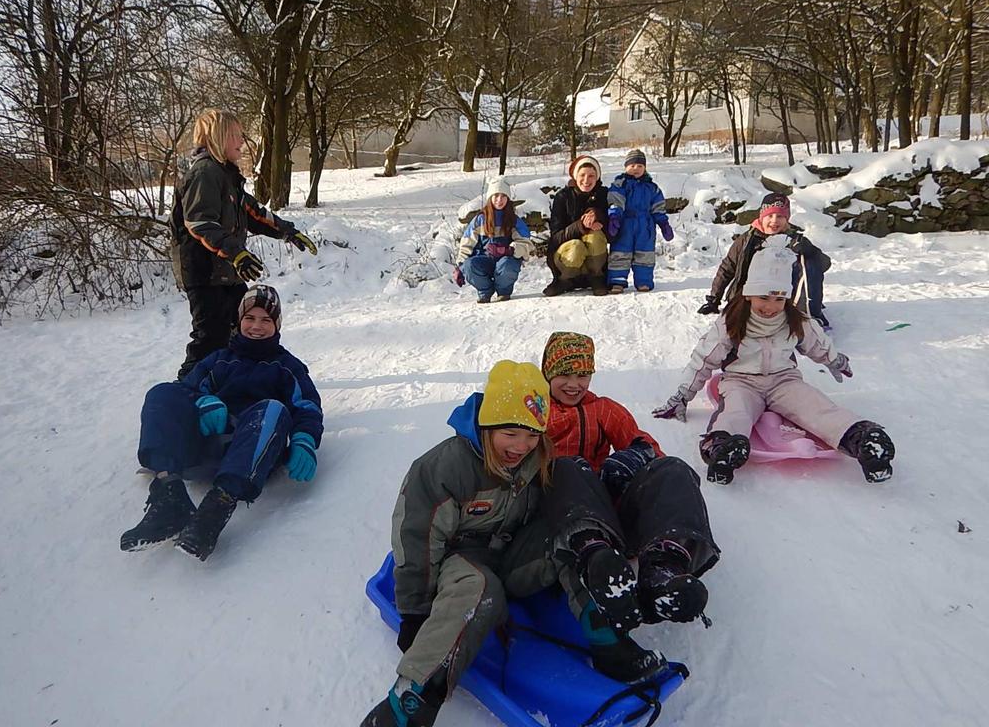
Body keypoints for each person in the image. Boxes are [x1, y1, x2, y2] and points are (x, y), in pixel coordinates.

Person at [363, 361, 671, 727]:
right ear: (488, 425)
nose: (521, 446)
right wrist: (414, 612)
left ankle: (606, 640)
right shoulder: (445, 467)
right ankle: (412, 697)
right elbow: (417, 539)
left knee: (571, 536)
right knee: (480, 588)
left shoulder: (537, 457)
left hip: (512, 553)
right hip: (459, 561)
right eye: (510, 434)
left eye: (531, 435)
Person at [653, 237, 894, 485]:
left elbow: (817, 343)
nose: (771, 307)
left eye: (779, 299)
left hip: (784, 381)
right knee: (737, 412)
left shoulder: (795, 319)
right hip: (741, 381)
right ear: (749, 294)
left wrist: (835, 360)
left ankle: (864, 441)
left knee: (817, 407)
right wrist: (682, 395)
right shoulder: (731, 323)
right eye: (764, 298)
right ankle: (723, 450)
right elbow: (703, 360)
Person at [120, 285, 323, 560]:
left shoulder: (287, 367)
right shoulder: (218, 360)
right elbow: (186, 390)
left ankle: (214, 511)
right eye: (250, 318)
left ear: (277, 325)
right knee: (162, 392)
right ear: (239, 321)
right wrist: (203, 401)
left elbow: (307, 407)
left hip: (253, 450)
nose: (257, 326)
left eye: (266, 320)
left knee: (272, 409)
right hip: (207, 445)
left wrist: (304, 440)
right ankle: (170, 497)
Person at [541, 331, 719, 625]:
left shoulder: (604, 410)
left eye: (583, 375)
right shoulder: (537, 410)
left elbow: (648, 447)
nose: (574, 385)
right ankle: (596, 560)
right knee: (568, 467)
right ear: (548, 372)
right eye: (565, 374)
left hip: (609, 510)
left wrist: (632, 458)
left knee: (673, 468)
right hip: (566, 512)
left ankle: (664, 569)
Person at [171, 108, 318, 379]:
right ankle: (187, 387)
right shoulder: (205, 173)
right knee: (211, 335)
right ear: (217, 138)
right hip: (204, 272)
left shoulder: (227, 176)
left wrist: (287, 232)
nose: (241, 141)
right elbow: (199, 222)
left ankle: (239, 375)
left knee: (245, 324)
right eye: (235, 135)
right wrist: (237, 253)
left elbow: (253, 213)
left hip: (226, 270)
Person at [698, 192, 832, 328]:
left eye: (780, 216)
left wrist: (810, 250)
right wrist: (714, 300)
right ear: (761, 217)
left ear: (787, 219)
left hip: (782, 296)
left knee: (809, 260)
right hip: (750, 295)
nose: (774, 221)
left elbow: (823, 265)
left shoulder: (794, 240)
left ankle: (810, 314)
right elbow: (727, 268)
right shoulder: (746, 240)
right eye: (770, 216)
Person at [452, 178, 534, 303]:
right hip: (484, 260)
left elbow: (526, 244)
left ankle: (503, 291)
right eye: (495, 196)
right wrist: (459, 266)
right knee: (469, 265)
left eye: (503, 196)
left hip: (505, 261)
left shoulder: (514, 220)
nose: (499, 200)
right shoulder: (480, 220)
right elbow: (466, 245)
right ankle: (486, 291)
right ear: (490, 198)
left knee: (507, 264)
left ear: (508, 199)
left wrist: (509, 250)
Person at [605, 149, 673, 293]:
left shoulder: (652, 188)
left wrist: (663, 223)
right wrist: (614, 217)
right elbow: (616, 201)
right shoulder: (620, 184)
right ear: (626, 167)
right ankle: (617, 281)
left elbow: (658, 207)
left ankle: (644, 281)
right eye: (632, 166)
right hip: (625, 224)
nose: (636, 169)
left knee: (645, 254)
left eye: (640, 166)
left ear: (645, 168)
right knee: (620, 252)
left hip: (645, 226)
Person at [543, 154, 610, 297]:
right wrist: (581, 226)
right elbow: (555, 238)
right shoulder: (563, 197)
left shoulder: (603, 194)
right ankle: (565, 280)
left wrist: (598, 215)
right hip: (566, 257)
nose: (586, 180)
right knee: (576, 246)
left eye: (591, 176)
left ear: (597, 177)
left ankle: (596, 278)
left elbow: (614, 231)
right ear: (575, 176)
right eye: (582, 175)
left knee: (596, 236)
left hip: (593, 262)